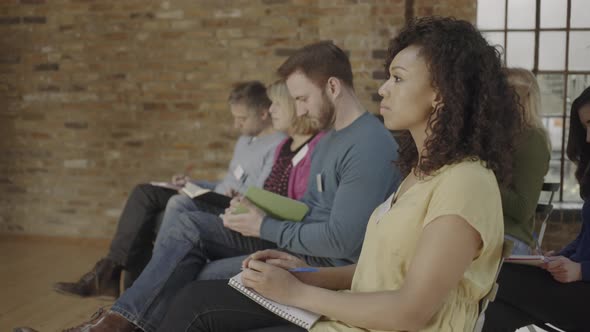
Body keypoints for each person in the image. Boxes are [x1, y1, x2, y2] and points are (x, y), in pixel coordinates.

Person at [153, 16, 523, 332]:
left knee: (198, 308)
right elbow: (376, 271)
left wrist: (298, 293)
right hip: (351, 317)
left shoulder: (466, 183)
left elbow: (410, 310)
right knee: (198, 297)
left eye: (398, 78)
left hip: (371, 325)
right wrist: (303, 274)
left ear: (441, 93)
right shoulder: (421, 174)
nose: (382, 89)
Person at [30, 41, 400, 332]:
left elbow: (343, 243)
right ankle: (114, 323)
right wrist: (261, 214)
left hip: (321, 265)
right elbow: (309, 210)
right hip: (298, 240)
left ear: (333, 86)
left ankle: (113, 324)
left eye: (302, 98)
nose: (298, 110)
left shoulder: (368, 144)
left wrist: (264, 226)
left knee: (191, 272)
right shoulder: (331, 136)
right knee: (188, 223)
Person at [52, 81, 285, 298]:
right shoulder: (246, 140)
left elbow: (258, 196)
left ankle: (133, 280)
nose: (236, 125)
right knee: (145, 193)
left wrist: (232, 196)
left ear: (264, 114)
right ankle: (118, 276)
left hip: (233, 206)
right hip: (217, 195)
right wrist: (194, 183)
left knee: (176, 203)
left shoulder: (277, 146)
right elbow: (226, 183)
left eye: (241, 119)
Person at [482, 86, 590, 332]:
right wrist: (559, 256)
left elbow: (521, 208)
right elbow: (586, 238)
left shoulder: (532, 140)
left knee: (497, 278)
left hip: (585, 290)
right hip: (578, 283)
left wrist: (581, 270)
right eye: (585, 127)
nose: (588, 138)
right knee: (497, 304)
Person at [501, 68, 551, 254]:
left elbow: (523, 208)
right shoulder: (498, 135)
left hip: (509, 241)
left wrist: (482, 178)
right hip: (486, 233)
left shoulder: (532, 138)